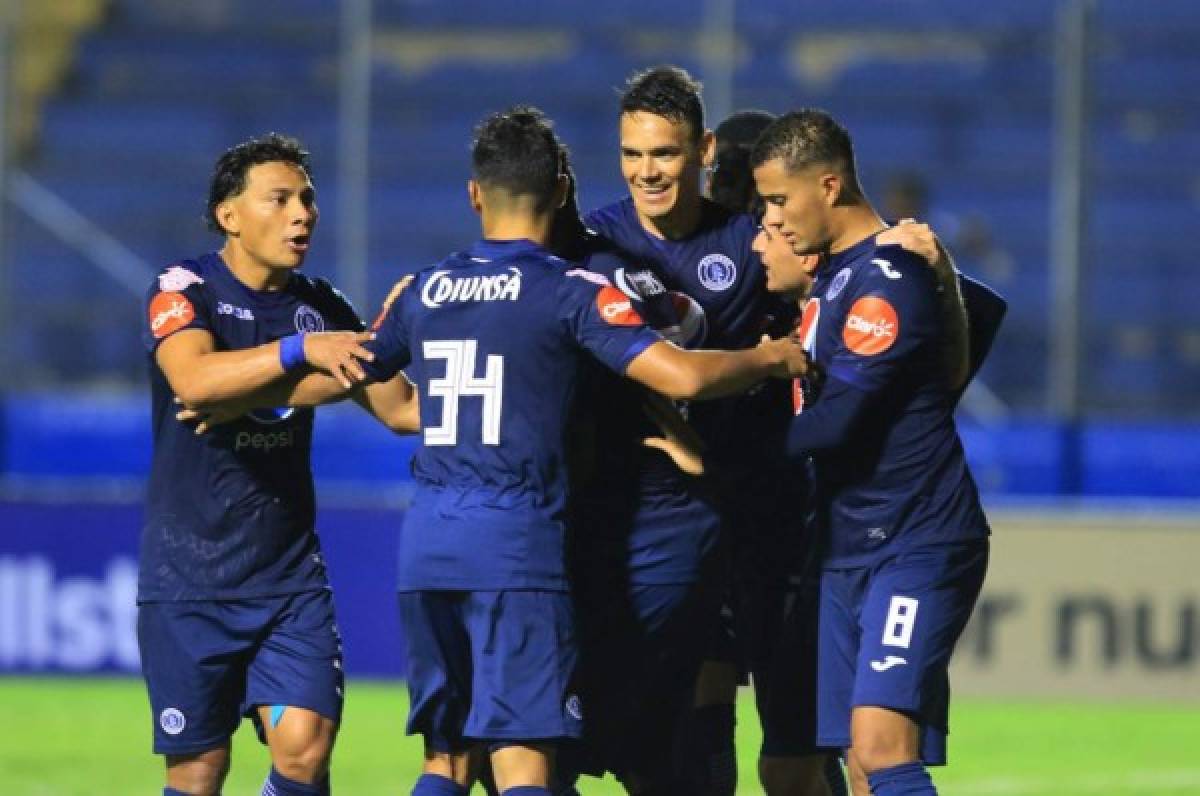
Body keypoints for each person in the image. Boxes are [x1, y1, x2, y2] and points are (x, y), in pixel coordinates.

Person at [346, 107, 809, 796]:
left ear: (475, 193)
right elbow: (680, 374)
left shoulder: (425, 288)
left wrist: (302, 349)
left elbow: (375, 386)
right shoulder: (571, 291)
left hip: (427, 545)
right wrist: (770, 358)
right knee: (527, 759)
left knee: (448, 759)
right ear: (564, 190)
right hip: (517, 545)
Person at [138, 133, 411, 796]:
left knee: (305, 747)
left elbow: (403, 410)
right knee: (199, 771)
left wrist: (406, 332)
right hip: (189, 576)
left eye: (309, 199)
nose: (303, 213)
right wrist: (301, 353)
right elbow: (195, 384)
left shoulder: (324, 306)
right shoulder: (185, 287)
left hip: (286, 578)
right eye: (281, 199)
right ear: (230, 214)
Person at [751, 109, 992, 796]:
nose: (773, 220)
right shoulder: (835, 277)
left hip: (913, 539)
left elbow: (838, 424)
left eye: (778, 201)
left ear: (828, 185)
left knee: (883, 749)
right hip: (848, 546)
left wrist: (723, 455)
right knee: (860, 762)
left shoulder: (885, 276)